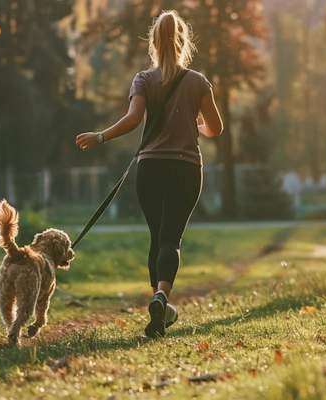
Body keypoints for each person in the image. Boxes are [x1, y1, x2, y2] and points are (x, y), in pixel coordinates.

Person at [75, 10, 223, 338]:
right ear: (182, 42)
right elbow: (216, 128)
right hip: (185, 168)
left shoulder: (143, 80)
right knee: (171, 239)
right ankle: (161, 297)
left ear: (153, 43)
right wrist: (193, 125)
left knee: (156, 239)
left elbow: (132, 120)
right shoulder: (198, 82)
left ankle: (159, 312)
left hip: (150, 169)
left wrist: (100, 137)